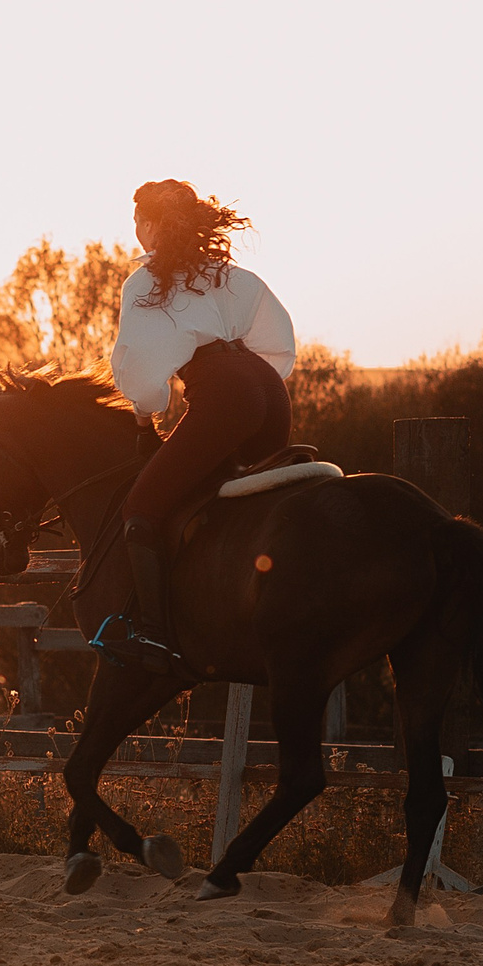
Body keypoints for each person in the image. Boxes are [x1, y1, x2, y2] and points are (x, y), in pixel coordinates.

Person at [94, 179, 297, 674]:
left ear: (149, 224)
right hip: (271, 393)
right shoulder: (231, 275)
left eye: (137, 222)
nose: (136, 232)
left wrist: (146, 418)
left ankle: (156, 637)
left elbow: (142, 375)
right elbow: (280, 344)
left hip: (226, 397)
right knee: (218, 500)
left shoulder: (145, 283)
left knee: (141, 507)